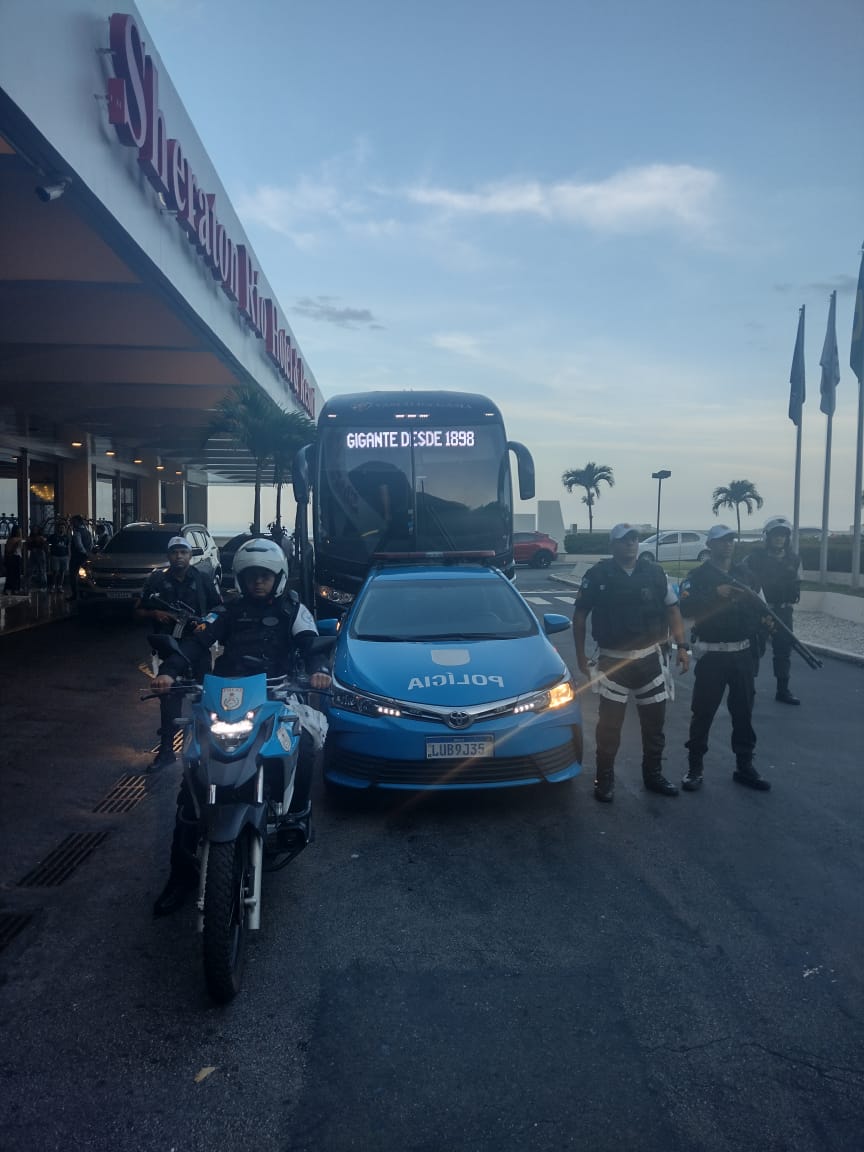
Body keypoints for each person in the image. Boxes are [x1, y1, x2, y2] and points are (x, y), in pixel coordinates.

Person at [149, 538, 332, 916]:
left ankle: (296, 814)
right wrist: (169, 671)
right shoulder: (226, 611)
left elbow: (311, 645)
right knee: (192, 774)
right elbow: (197, 643)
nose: (258, 582)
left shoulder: (293, 610)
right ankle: (180, 875)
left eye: (265, 576)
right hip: (228, 699)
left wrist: (319, 671)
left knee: (305, 742)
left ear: (278, 577)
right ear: (240, 578)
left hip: (278, 695)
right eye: (251, 576)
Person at [572, 523, 690, 802]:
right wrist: (580, 657)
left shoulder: (655, 573)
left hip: (650, 660)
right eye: (624, 540)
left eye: (634, 539)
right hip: (613, 664)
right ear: (612, 545)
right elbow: (579, 617)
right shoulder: (597, 575)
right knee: (609, 728)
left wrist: (682, 647)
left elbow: (673, 610)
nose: (630, 544)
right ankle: (604, 779)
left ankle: (653, 775)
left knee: (654, 726)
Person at [679, 524, 772, 793]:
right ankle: (695, 768)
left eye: (731, 540)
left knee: (743, 713)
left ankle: (745, 766)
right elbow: (685, 607)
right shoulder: (697, 576)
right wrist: (715, 594)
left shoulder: (746, 575)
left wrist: (765, 627)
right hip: (712, 654)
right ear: (710, 545)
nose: (727, 544)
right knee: (703, 713)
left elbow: (761, 608)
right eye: (721, 540)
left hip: (742, 654)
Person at [134, 535, 222, 770]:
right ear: (168, 556)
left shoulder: (202, 579)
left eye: (183, 552)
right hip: (169, 648)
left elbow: (219, 608)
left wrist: (205, 623)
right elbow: (138, 610)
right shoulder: (157, 581)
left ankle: (207, 750)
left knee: (205, 698)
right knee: (169, 699)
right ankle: (166, 751)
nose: (179, 556)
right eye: (174, 552)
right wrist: (155, 614)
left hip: (198, 646)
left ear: (190, 555)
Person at [743, 516, 802, 705]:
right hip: (759, 610)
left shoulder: (794, 559)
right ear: (767, 537)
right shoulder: (754, 559)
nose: (779, 539)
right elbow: (742, 580)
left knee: (783, 651)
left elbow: (798, 582)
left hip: (783, 611)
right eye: (776, 535)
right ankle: (748, 689)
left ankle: (783, 690)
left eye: (783, 535)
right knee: (754, 649)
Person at [67, 515, 93, 600]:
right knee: (84, 575)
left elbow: (78, 545)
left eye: (73, 521)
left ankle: (75, 595)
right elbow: (91, 544)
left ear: (78, 522)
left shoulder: (77, 532)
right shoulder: (88, 531)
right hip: (85, 556)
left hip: (77, 556)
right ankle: (83, 594)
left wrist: (84, 552)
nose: (72, 523)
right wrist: (88, 553)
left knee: (73, 575)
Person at [46, 522, 71, 591]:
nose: (61, 529)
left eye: (63, 528)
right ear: (57, 529)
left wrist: (69, 555)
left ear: (65, 529)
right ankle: (53, 585)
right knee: (55, 571)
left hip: (64, 556)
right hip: (55, 556)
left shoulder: (66, 537)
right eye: (60, 528)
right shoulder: (53, 536)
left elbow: (68, 546)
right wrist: (48, 551)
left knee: (62, 571)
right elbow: (47, 543)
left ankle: (60, 586)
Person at [26, 524, 49, 589]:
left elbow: (45, 545)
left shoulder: (41, 537)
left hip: (40, 553)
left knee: (42, 570)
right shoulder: (31, 537)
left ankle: (43, 586)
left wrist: (42, 541)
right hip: (33, 554)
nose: (35, 530)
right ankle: (28, 585)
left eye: (36, 529)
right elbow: (28, 547)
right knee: (30, 570)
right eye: (34, 529)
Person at [3, 525, 24, 594]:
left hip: (11, 557)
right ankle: (15, 589)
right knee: (16, 574)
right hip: (16, 557)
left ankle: (8, 589)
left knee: (10, 574)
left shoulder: (10, 539)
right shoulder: (18, 540)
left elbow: (7, 550)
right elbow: (19, 549)